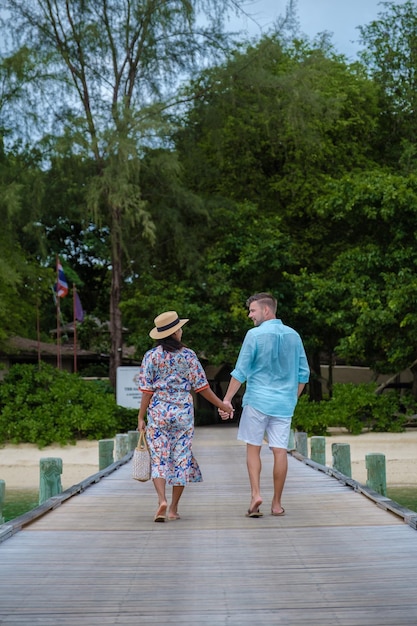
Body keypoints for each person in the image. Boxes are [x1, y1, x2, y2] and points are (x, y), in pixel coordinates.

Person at [219, 293, 310, 518]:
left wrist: (227, 400)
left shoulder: (254, 335)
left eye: (252, 310)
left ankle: (256, 495)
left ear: (266, 310)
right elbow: (304, 374)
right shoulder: (294, 335)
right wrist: (292, 398)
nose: (250, 315)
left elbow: (240, 371)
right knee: (280, 451)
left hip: (257, 401)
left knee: (253, 448)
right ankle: (277, 504)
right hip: (284, 405)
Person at [138, 310, 233, 523]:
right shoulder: (188, 355)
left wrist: (140, 417)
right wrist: (222, 405)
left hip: (158, 412)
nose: (181, 331)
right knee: (181, 459)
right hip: (182, 413)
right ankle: (172, 508)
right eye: (179, 328)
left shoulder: (151, 356)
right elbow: (202, 388)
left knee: (160, 459)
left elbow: (146, 390)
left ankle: (161, 500)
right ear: (174, 333)